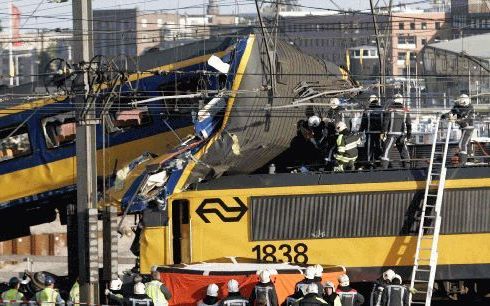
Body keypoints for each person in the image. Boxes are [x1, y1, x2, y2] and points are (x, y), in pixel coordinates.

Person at [441, 94, 475, 165]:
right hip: (463, 128)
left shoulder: (470, 108)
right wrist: (444, 116)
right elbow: (452, 113)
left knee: (462, 144)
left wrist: (454, 120)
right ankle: (470, 159)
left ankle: (463, 161)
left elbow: (465, 119)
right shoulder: (457, 106)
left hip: (468, 128)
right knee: (467, 143)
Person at [381, 94, 411, 169]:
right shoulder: (405, 111)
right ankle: (407, 167)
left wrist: (383, 132)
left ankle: (384, 168)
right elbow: (409, 124)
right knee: (404, 152)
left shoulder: (390, 110)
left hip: (391, 135)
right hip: (401, 135)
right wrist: (408, 135)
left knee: (387, 151)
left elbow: (386, 122)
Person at [360, 95, 384, 166]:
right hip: (379, 132)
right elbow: (386, 120)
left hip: (369, 132)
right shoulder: (382, 109)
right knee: (379, 146)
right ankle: (379, 162)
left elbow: (363, 122)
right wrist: (384, 131)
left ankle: (368, 162)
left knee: (369, 148)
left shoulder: (367, 110)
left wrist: (360, 131)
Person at [325, 98, 346, 164]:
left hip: (336, 131)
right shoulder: (333, 110)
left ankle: (330, 159)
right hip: (335, 131)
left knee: (333, 146)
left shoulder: (340, 111)